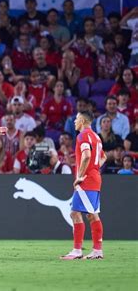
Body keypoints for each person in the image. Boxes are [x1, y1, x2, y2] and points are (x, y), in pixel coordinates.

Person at [61, 111, 106, 260]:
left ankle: (77, 250)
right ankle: (97, 251)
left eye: (76, 119)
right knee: (91, 215)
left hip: (86, 180)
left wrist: (80, 176)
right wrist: (94, 169)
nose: (74, 121)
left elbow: (86, 155)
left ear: (82, 120)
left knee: (75, 213)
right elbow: (103, 157)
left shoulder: (83, 136)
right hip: (94, 178)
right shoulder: (96, 137)